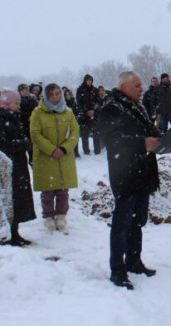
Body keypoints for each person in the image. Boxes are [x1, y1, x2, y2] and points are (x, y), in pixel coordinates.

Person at [96, 71, 161, 290]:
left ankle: (134, 261)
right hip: (125, 174)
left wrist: (165, 141)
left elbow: (149, 132)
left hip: (143, 172)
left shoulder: (137, 106)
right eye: (137, 85)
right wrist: (142, 143)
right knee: (122, 223)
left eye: (141, 85)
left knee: (138, 221)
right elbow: (114, 141)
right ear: (124, 87)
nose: (141, 89)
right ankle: (118, 270)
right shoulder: (111, 108)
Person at [0, 89, 37, 246]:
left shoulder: (12, 117)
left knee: (16, 199)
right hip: (7, 166)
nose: (18, 106)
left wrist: (24, 142)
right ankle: (10, 234)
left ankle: (15, 232)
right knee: (9, 199)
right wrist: (23, 144)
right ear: (7, 104)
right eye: (16, 103)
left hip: (17, 164)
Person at [30, 83, 80, 234]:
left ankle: (61, 216)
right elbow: (35, 134)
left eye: (57, 94)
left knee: (63, 190)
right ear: (46, 96)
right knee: (48, 190)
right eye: (51, 95)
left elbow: (75, 133)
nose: (55, 97)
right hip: (47, 158)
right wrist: (51, 150)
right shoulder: (38, 113)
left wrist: (64, 148)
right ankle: (48, 217)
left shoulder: (68, 112)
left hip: (64, 157)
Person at [77, 74, 101, 155]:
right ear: (85, 80)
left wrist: (93, 110)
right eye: (88, 80)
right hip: (84, 115)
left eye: (90, 80)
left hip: (94, 114)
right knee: (85, 134)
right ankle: (86, 150)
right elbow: (79, 102)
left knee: (96, 132)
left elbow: (98, 102)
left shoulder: (94, 90)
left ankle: (97, 150)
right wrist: (86, 111)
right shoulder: (80, 90)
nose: (89, 82)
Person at [63, 88, 83, 157]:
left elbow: (80, 113)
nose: (68, 96)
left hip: (74, 124)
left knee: (75, 138)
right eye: (66, 95)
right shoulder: (63, 105)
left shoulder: (75, 104)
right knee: (66, 139)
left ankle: (76, 152)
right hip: (65, 124)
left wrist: (76, 118)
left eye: (69, 94)